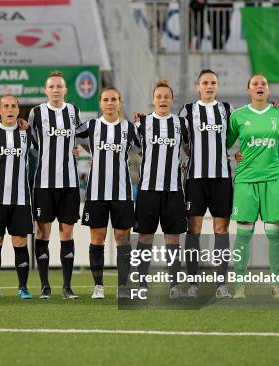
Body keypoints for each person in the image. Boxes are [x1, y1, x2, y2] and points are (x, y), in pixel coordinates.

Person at [226, 74, 279, 299]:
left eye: (264, 83)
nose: (260, 86)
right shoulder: (238, 116)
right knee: (243, 235)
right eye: (255, 84)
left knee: (274, 235)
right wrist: (235, 155)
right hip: (245, 181)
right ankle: (240, 285)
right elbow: (224, 143)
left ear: (269, 90)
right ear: (248, 89)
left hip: (272, 180)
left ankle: (277, 285)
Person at [76, 87, 140, 299]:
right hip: (96, 193)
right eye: (106, 99)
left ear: (119, 103)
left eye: (114, 99)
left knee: (122, 239)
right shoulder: (92, 125)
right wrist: (86, 152)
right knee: (97, 238)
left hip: (122, 193)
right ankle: (99, 286)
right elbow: (73, 136)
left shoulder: (129, 128)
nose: (110, 103)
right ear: (101, 104)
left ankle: (122, 286)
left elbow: (144, 147)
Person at [178, 69, 234, 299]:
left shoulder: (227, 110)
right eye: (205, 82)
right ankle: (193, 283)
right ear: (197, 85)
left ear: (217, 86)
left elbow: (239, 135)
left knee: (221, 229)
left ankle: (221, 284)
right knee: (194, 229)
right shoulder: (188, 110)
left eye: (213, 83)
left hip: (221, 178)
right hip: (195, 178)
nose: (209, 86)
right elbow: (179, 138)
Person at [27, 71, 81, 300]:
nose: (56, 90)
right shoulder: (36, 113)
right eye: (52, 86)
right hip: (44, 183)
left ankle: (67, 287)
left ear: (65, 90)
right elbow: (30, 141)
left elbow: (82, 137)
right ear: (46, 90)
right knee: (43, 232)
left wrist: (78, 151)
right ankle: (45, 286)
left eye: (59, 86)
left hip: (69, 183)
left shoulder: (73, 111)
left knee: (67, 232)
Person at [133, 80, 190, 299]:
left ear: (172, 100)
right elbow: (133, 149)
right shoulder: (142, 123)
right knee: (145, 238)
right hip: (148, 190)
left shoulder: (180, 124)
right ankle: (142, 286)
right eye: (159, 96)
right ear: (153, 99)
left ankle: (174, 286)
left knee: (172, 239)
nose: (163, 100)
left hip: (173, 191)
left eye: (166, 97)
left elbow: (188, 147)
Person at [0, 94, 36, 300]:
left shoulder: (27, 133)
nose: (10, 109)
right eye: (6, 106)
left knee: (20, 243)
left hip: (20, 198)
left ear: (18, 109)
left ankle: (23, 288)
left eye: (13, 106)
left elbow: (47, 148)